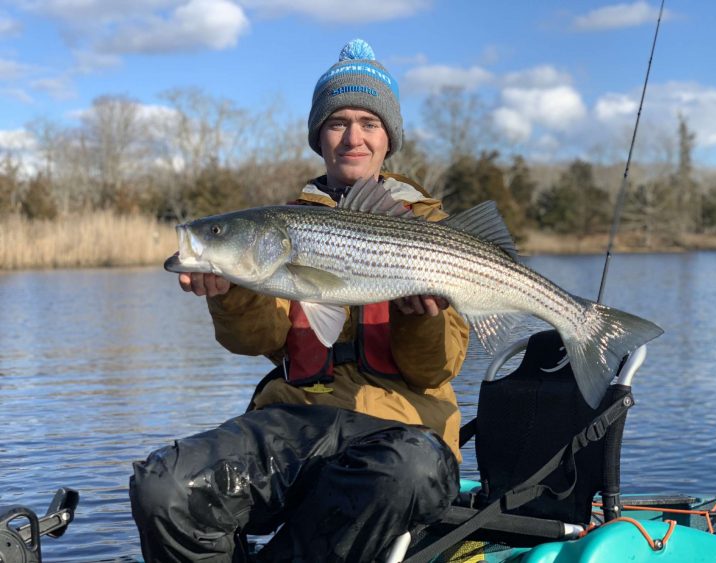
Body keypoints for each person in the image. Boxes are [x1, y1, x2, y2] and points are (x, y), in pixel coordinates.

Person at [130, 39, 469, 562]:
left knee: (409, 470)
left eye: (368, 122)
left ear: (388, 138)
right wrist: (229, 293)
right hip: (295, 423)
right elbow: (260, 342)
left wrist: (420, 321)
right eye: (337, 122)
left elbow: (437, 369)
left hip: (405, 434)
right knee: (164, 486)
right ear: (318, 137)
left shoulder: (435, 233)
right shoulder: (280, 226)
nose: (352, 136)